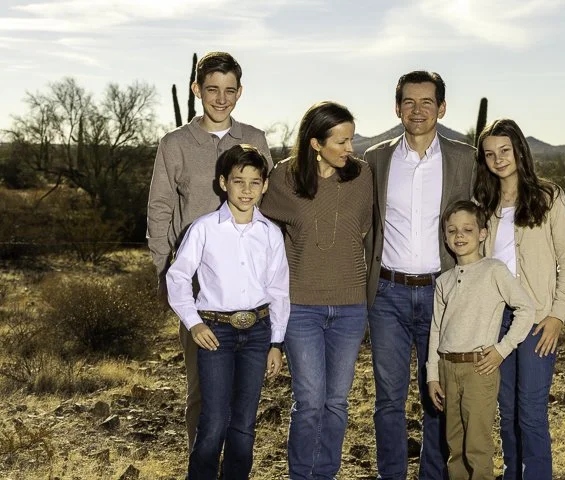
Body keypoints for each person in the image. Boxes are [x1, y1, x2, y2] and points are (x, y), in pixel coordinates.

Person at [146, 51, 273, 452]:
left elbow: (264, 210)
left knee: (242, 397)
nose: (221, 98)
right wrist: (166, 271)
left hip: (248, 292)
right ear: (196, 89)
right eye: (212, 89)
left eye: (230, 90)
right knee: (203, 391)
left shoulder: (257, 139)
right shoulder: (175, 144)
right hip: (200, 289)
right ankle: (203, 467)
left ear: (240, 92)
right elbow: (160, 208)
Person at [364, 70, 477, 480]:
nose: (417, 110)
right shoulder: (375, 159)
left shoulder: (464, 159)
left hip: (442, 293)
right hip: (388, 294)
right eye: (409, 102)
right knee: (389, 398)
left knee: (439, 396)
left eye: (427, 102)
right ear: (397, 108)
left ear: (441, 108)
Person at [260, 101, 373, 480]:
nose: (350, 148)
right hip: (301, 307)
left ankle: (325, 474)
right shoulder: (283, 179)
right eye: (341, 141)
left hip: (350, 306)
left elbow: (364, 229)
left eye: (351, 139)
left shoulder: (363, 177)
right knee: (309, 401)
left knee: (337, 402)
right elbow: (259, 227)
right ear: (315, 143)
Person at [165, 144, 290, 479]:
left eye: (254, 182)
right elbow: (177, 276)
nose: (246, 190)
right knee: (215, 419)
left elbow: (279, 290)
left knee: (244, 423)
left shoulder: (271, 234)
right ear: (223, 182)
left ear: (264, 185)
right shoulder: (204, 228)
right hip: (215, 333)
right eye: (238, 181)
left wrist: (276, 342)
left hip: (258, 332)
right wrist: (193, 323)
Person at [475, 118, 565, 480]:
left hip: (537, 320)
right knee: (507, 411)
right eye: (490, 154)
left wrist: (557, 316)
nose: (499, 159)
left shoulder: (549, 197)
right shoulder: (483, 202)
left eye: (505, 150)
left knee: (531, 412)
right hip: (496, 322)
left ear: (520, 149)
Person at [426, 200, 534, 480]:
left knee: (477, 446)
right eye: (452, 231)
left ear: (482, 234)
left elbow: (526, 309)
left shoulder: (494, 270)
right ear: (446, 236)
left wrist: (502, 349)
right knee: (454, 447)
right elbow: (436, 329)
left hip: (479, 369)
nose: (459, 236)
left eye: (467, 230)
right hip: (448, 369)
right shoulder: (444, 281)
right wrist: (432, 375)